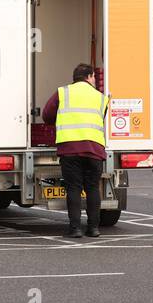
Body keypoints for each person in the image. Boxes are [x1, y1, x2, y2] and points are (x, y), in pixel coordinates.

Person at [42, 64, 109, 238]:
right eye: (94, 77)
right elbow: (101, 117)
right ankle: (93, 228)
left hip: (70, 149)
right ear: (89, 76)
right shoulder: (100, 97)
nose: (95, 80)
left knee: (74, 188)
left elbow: (47, 115)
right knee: (93, 188)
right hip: (94, 149)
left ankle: (75, 229)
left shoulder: (63, 92)